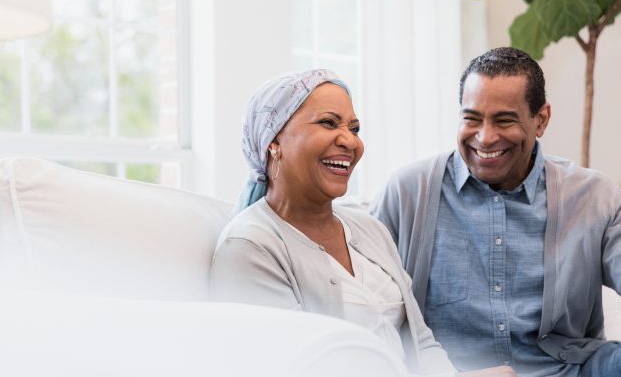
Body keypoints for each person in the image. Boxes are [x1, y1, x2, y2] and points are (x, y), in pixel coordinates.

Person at [370, 46, 621, 377]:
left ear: (541, 119)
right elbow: (358, 287)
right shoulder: (408, 192)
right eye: (471, 118)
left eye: (504, 120)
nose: (485, 137)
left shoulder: (592, 196)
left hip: (569, 369)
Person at [210, 69, 515, 377]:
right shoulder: (249, 247)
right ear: (273, 142)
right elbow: (296, 368)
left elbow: (422, 344)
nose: (349, 141)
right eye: (328, 123)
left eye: (354, 128)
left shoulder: (370, 229)